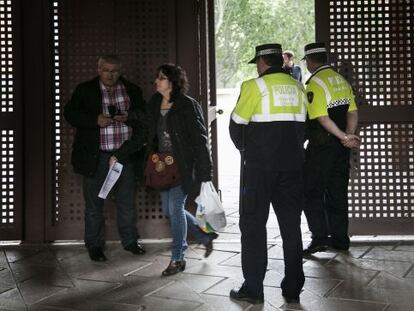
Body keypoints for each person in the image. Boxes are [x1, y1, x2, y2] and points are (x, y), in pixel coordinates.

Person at [229, 43, 307, 304]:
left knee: (252, 225)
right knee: (291, 227)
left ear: (262, 63)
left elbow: (236, 126)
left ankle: (253, 289)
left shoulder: (254, 86)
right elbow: (303, 128)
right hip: (294, 168)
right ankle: (293, 288)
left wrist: (246, 151)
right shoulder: (298, 87)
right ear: (280, 62)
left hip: (259, 170)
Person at [64, 55, 147, 262]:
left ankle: (130, 242)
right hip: (96, 157)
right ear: (98, 69)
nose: (110, 75)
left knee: (126, 203)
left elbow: (144, 117)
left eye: (115, 71)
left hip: (124, 156)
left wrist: (129, 116)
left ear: (120, 70)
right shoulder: (85, 89)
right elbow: (70, 114)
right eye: (106, 70)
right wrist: (95, 120)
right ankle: (94, 245)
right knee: (94, 205)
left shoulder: (132, 89)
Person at [146, 63, 218, 276]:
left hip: (182, 165)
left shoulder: (187, 105)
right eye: (157, 77)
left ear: (172, 82)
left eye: (161, 77)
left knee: (175, 209)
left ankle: (178, 258)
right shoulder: (153, 103)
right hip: (161, 165)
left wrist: (205, 172)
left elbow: (199, 140)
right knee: (169, 210)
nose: (156, 81)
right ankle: (205, 235)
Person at [302, 43, 360, 256]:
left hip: (321, 147)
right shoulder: (341, 80)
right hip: (341, 149)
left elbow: (322, 118)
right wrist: (348, 136)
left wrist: (343, 136)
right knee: (337, 192)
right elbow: (352, 112)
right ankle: (340, 240)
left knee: (311, 191)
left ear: (309, 61)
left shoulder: (315, 83)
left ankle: (319, 239)